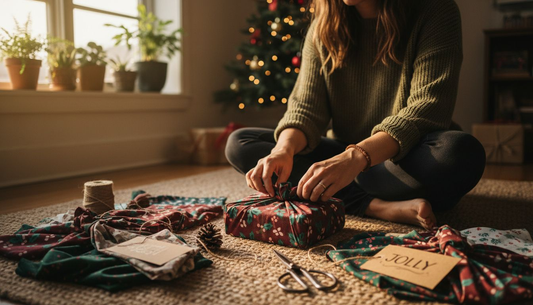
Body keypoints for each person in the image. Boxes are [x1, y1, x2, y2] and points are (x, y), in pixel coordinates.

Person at [225, 0, 486, 229]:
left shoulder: (436, 9)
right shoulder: (321, 27)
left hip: (400, 160)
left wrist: (357, 157)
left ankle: (346, 194)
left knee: (459, 152)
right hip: (345, 159)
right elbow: (305, 110)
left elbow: (428, 108)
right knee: (241, 143)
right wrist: (283, 150)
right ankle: (375, 206)